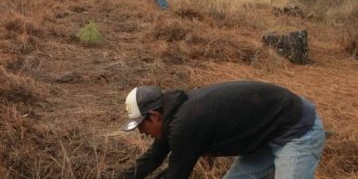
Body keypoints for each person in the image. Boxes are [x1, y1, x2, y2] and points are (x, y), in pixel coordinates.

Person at [116, 81, 325, 179]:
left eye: (142, 126)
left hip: (297, 131)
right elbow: (154, 156)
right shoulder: (173, 116)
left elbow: (176, 174)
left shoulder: (185, 124)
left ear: (154, 116)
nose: (142, 133)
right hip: (268, 133)